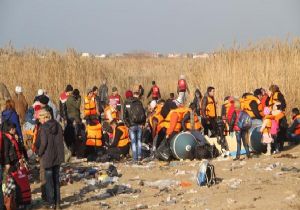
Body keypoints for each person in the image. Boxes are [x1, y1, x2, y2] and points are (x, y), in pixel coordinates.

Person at [38, 109, 64, 209]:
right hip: (57, 156)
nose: (39, 120)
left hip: (48, 157)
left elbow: (44, 143)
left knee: (49, 183)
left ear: (45, 117)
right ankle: (58, 204)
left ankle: (51, 204)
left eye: (40, 118)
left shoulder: (44, 127)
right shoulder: (58, 125)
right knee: (56, 181)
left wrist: (39, 153)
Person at [3, 122, 27, 209]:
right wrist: (7, 163)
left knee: (16, 183)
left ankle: (17, 203)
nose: (15, 130)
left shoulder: (12, 137)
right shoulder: (6, 139)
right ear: (9, 129)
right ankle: (13, 204)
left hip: (15, 162)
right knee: (13, 184)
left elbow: (18, 149)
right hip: (11, 164)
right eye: (13, 129)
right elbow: (6, 152)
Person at [123, 86, 146, 163]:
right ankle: (139, 156)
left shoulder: (126, 103)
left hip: (131, 125)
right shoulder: (139, 102)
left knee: (133, 141)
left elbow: (124, 116)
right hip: (139, 125)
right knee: (139, 141)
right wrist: (143, 123)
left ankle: (135, 158)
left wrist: (128, 125)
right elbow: (143, 113)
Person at [65, 89, 82, 153]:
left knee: (71, 133)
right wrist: (79, 99)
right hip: (74, 118)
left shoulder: (68, 99)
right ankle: (74, 150)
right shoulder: (72, 99)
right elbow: (77, 106)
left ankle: (72, 149)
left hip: (70, 117)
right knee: (75, 134)